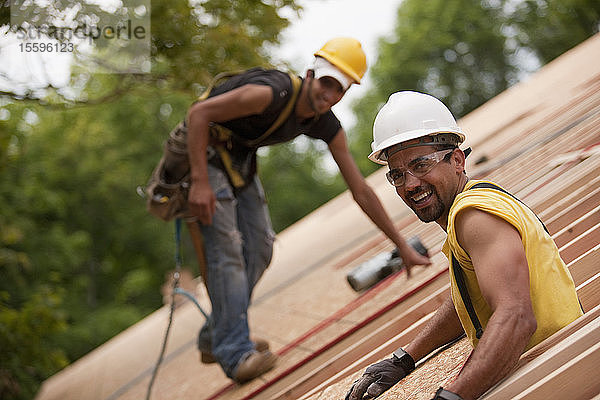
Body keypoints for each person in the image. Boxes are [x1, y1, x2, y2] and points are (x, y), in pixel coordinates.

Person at [185, 39, 432, 383]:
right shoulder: (271, 93)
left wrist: (401, 246)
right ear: (311, 73)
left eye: (338, 90)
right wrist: (198, 181)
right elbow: (198, 114)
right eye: (326, 83)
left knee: (259, 249)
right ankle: (234, 352)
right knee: (227, 249)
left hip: (237, 162)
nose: (328, 95)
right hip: (202, 156)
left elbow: (360, 190)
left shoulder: (325, 123)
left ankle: (219, 333)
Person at [345, 91, 583, 400]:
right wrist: (405, 358)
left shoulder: (474, 217)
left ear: (457, 160)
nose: (410, 184)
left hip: (559, 372)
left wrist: (452, 396)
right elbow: (472, 297)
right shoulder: (470, 209)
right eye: (398, 174)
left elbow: (515, 317)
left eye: (420, 165)